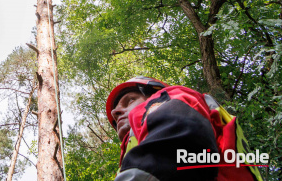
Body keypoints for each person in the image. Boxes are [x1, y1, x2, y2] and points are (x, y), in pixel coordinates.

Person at [106, 76, 264, 181]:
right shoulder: (135, 147)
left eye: (129, 100)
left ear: (155, 93)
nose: (115, 112)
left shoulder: (167, 98)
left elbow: (179, 145)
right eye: (114, 115)